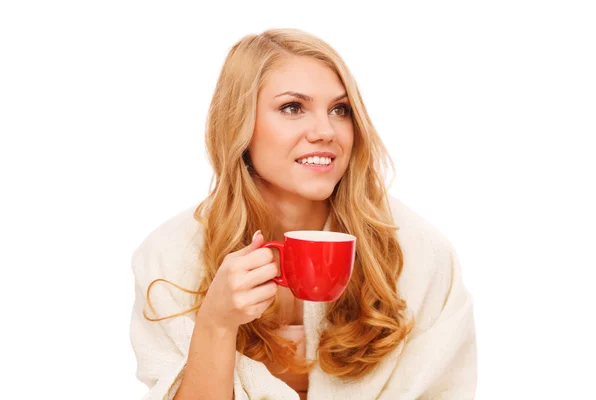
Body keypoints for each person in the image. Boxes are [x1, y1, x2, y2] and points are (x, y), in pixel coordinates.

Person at [129, 28, 477, 400]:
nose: (326, 131)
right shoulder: (172, 257)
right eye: (292, 108)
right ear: (239, 125)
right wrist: (216, 324)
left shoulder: (419, 254)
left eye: (339, 110)